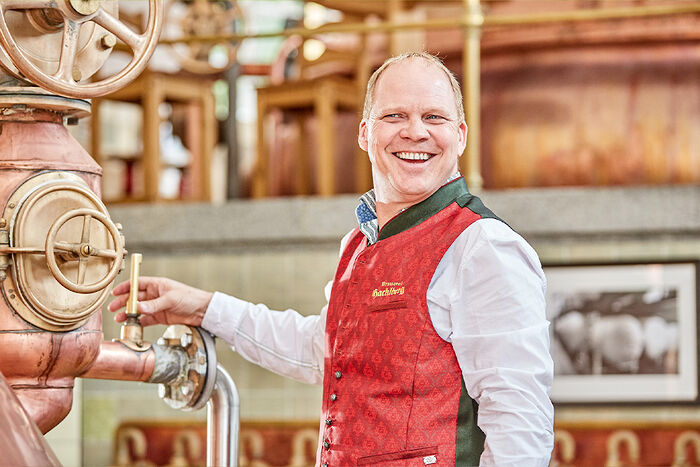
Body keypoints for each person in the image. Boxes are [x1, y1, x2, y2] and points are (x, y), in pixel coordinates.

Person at [110, 52, 554, 466]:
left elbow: (520, 423)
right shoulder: (358, 245)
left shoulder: (484, 247)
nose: (415, 131)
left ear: (459, 135)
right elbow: (322, 351)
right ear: (364, 133)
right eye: (394, 115)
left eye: (433, 117)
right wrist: (204, 307)